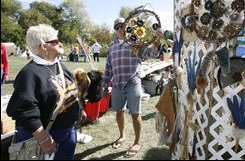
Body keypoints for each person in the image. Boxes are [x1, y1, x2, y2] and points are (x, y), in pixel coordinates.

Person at [6, 24, 86, 160]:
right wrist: (43, 139)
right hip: (47, 136)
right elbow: (24, 111)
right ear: (44, 46)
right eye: (55, 41)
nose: (60, 43)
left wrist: (79, 110)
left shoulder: (59, 65)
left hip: (67, 132)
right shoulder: (29, 74)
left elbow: (69, 91)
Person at [101, 17, 163, 158]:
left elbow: (151, 53)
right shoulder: (112, 46)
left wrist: (157, 39)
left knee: (135, 114)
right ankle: (122, 136)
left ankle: (137, 142)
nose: (120, 29)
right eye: (117, 27)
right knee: (119, 112)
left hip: (132, 82)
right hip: (117, 84)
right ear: (115, 30)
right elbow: (108, 68)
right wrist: (105, 86)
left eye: (122, 25)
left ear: (127, 26)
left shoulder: (135, 42)